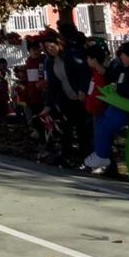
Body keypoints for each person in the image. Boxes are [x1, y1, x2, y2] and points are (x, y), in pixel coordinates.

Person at [83, 42, 129, 174]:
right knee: (100, 124)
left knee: (106, 127)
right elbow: (111, 76)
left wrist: (120, 89)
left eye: (123, 54)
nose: (121, 57)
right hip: (115, 105)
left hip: (126, 109)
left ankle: (102, 156)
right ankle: (100, 154)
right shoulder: (123, 70)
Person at [40, 30, 92, 165]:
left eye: (52, 46)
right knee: (65, 128)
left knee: (82, 129)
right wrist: (48, 105)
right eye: (47, 48)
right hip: (66, 98)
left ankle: (86, 157)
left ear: (59, 44)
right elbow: (52, 84)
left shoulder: (71, 55)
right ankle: (66, 155)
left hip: (80, 98)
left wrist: (82, 90)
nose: (50, 50)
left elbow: (84, 73)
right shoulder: (50, 62)